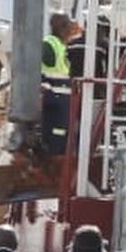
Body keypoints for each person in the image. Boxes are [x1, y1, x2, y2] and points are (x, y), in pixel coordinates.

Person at [41, 11, 73, 155]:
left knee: (61, 132)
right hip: (54, 97)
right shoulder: (49, 44)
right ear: (61, 28)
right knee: (57, 132)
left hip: (61, 98)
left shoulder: (60, 45)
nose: (71, 31)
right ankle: (52, 154)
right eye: (69, 27)